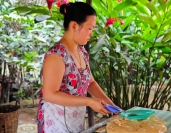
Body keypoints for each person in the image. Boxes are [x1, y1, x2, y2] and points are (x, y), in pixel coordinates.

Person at [37, 2, 117, 133]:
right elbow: (50, 94)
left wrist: (112, 107)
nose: (91, 33)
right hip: (55, 123)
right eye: (90, 28)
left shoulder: (82, 52)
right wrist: (90, 102)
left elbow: (90, 82)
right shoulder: (56, 56)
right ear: (75, 26)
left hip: (75, 120)